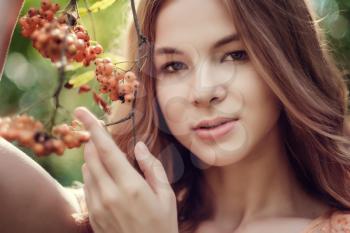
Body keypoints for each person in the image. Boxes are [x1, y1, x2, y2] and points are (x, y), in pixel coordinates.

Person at [0, 0, 350, 233]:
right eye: (174, 65)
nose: (202, 91)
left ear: (287, 59)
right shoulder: (116, 216)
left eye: (234, 55)